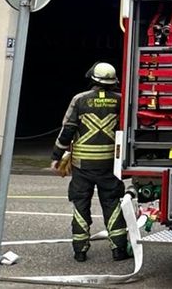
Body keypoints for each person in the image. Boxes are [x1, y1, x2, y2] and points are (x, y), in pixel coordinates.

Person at [52, 62, 129, 262]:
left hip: (82, 166)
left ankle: (80, 251)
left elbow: (67, 129)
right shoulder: (121, 100)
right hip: (109, 165)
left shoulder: (80, 100)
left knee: (80, 205)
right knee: (112, 204)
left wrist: (56, 156)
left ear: (93, 79)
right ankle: (119, 250)